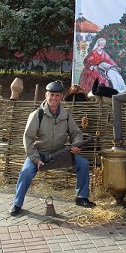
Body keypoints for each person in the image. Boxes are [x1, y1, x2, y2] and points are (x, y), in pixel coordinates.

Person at [9, 81, 96, 216]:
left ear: (61, 96)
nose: (54, 98)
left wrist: (77, 144)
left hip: (60, 154)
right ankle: (17, 203)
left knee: (83, 164)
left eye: (57, 95)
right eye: (51, 95)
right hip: (40, 155)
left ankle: (81, 197)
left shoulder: (65, 115)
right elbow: (28, 139)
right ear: (46, 95)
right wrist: (36, 159)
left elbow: (76, 133)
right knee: (26, 172)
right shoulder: (37, 115)